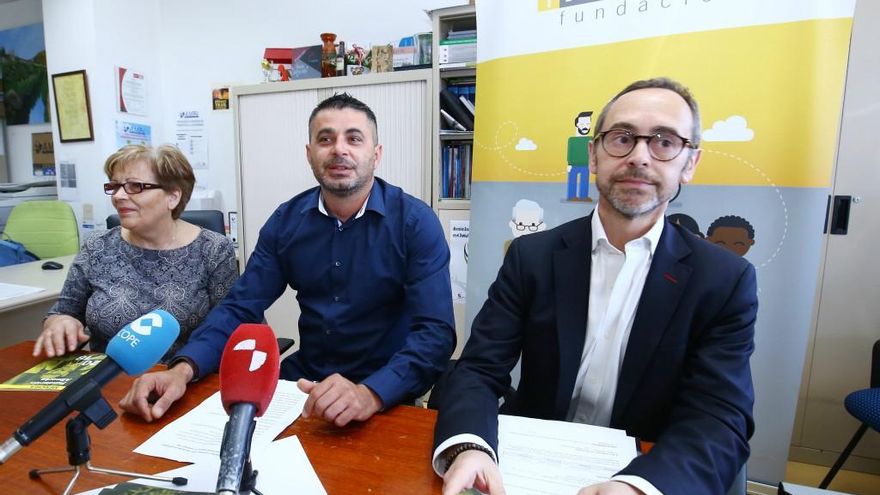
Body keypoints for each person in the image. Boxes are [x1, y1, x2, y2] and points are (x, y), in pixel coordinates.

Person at [431, 78, 757, 495]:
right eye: (621, 138)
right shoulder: (532, 256)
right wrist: (471, 448)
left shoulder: (724, 280)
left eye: (663, 142)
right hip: (527, 468)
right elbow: (478, 369)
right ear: (594, 155)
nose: (639, 156)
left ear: (689, 163)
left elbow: (718, 416)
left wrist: (640, 486)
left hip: (643, 468)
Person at [120, 93, 456, 427]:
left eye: (354, 138)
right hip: (305, 384)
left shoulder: (413, 223)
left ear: (376, 154)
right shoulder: (287, 222)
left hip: (384, 389)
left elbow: (435, 333)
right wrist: (183, 370)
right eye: (325, 139)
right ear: (310, 154)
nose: (339, 149)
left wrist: (371, 393)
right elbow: (241, 307)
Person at [35, 144, 238, 360]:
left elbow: (231, 326)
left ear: (173, 197)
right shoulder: (97, 246)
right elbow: (62, 311)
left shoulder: (213, 250)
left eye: (135, 186)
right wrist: (60, 323)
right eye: (115, 186)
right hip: (108, 382)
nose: (118, 196)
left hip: (183, 380)